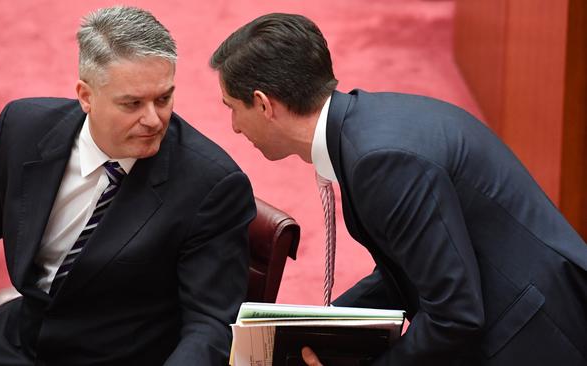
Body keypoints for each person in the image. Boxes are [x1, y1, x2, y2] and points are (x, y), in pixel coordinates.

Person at [210, 13, 587, 366]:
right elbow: (403, 267)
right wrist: (315, 331)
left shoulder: (382, 161)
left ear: (263, 104)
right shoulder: (364, 127)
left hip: (535, 335)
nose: (234, 127)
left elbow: (455, 316)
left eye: (233, 108)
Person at [0, 6, 256, 365]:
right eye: (132, 103)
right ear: (86, 95)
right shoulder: (23, 128)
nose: (153, 119)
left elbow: (210, 326)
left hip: (118, 355)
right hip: (20, 337)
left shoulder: (212, 186)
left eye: (163, 98)